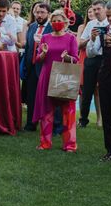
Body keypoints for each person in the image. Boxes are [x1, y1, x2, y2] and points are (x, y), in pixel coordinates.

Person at [32, 10, 79, 151]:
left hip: (64, 77)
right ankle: (45, 143)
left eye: (59, 21)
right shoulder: (45, 37)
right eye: (54, 21)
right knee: (47, 111)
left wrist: (67, 58)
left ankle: (70, 144)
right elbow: (38, 59)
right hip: (47, 76)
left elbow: (75, 59)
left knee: (68, 112)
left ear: (65, 23)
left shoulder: (71, 38)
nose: (56, 23)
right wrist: (44, 53)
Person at [22, 3, 52, 131]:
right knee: (31, 97)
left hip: (46, 68)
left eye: (42, 13)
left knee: (48, 99)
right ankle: (31, 124)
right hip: (31, 67)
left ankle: (52, 126)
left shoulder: (52, 28)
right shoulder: (32, 27)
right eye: (37, 12)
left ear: (48, 14)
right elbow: (28, 47)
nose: (39, 15)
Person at [78, 0, 108, 128]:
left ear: (104, 9)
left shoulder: (110, 23)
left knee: (106, 90)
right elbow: (80, 44)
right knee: (87, 91)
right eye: (94, 9)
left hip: (106, 58)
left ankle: (106, 120)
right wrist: (92, 38)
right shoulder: (90, 24)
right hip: (91, 59)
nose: (96, 11)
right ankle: (83, 119)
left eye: (98, 9)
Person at [94, 0, 111, 161]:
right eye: (108, 16)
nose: (110, 19)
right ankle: (110, 151)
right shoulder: (105, 30)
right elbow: (93, 52)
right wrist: (94, 39)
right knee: (107, 115)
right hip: (106, 77)